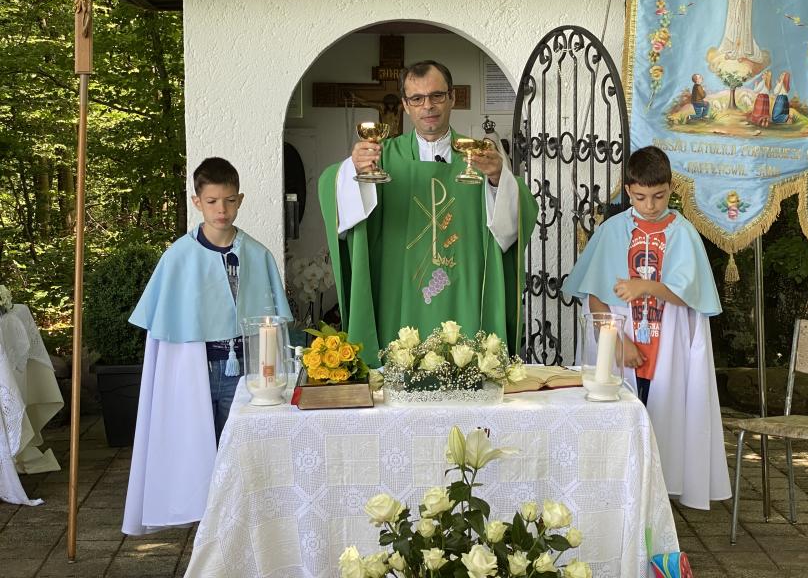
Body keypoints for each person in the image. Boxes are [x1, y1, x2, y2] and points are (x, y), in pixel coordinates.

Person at [319, 60, 535, 363]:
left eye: (436, 96)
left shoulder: (480, 157)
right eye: (417, 99)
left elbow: (513, 224)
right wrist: (350, 170)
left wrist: (500, 178)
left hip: (465, 294)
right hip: (397, 293)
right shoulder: (382, 158)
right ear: (406, 106)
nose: (428, 106)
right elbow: (332, 190)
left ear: (452, 98)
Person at [122, 157, 291, 536]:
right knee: (199, 450)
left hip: (247, 371)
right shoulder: (178, 258)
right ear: (197, 201)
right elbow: (163, 331)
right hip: (196, 369)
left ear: (241, 199)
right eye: (212, 201)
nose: (221, 210)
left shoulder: (257, 254)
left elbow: (272, 324)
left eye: (229, 201)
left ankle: (245, 526)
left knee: (244, 447)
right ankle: (209, 529)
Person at [562, 146, 731, 509]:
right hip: (621, 342)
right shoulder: (611, 231)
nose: (650, 204)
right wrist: (618, 341)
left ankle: (656, 501)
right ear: (627, 190)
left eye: (659, 196)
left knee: (664, 418)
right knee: (618, 419)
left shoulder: (684, 233)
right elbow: (594, 295)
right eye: (640, 197)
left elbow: (693, 297)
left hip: (667, 344)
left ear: (671, 188)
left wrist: (646, 287)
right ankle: (614, 498)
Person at [718, 0, 765, 64]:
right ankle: (733, 52)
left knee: (742, 32)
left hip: (744, 14)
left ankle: (741, 53)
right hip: (735, 13)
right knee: (735, 31)